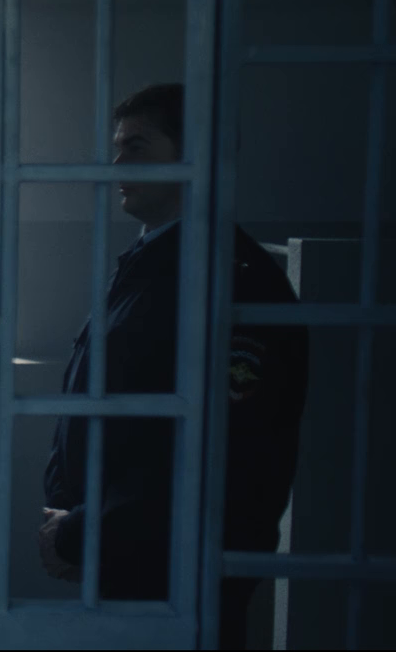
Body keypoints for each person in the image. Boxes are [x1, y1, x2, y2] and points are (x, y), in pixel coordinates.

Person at [38, 83, 308, 649]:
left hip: (174, 569)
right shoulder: (152, 261)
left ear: (196, 156)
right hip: (126, 556)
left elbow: (204, 453)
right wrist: (70, 516)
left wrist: (80, 530)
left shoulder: (230, 282)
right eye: (117, 147)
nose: (117, 164)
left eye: (136, 147)